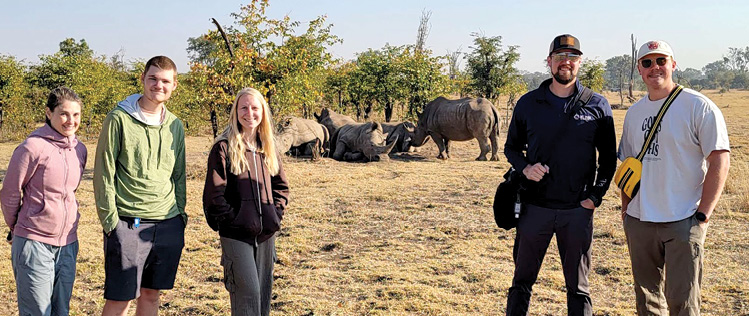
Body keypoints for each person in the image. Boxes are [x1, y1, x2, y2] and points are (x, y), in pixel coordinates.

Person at [503, 34, 617, 316]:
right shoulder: (529, 103)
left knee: (578, 288)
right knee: (521, 282)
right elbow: (511, 148)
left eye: (572, 57)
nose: (565, 63)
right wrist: (525, 168)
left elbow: (608, 160)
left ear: (580, 63)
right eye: (559, 57)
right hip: (534, 209)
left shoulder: (598, 105)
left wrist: (594, 197)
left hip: (576, 211)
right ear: (549, 62)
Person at [619, 40, 730, 316]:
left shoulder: (697, 106)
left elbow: (719, 159)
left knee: (683, 302)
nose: (655, 67)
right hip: (640, 220)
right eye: (647, 62)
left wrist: (702, 215)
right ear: (639, 70)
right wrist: (625, 211)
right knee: (646, 301)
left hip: (683, 218)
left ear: (673, 64)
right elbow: (627, 166)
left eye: (661, 61)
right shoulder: (634, 113)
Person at [93, 56, 187, 316]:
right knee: (120, 299)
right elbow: (104, 171)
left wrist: (180, 215)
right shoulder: (118, 119)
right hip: (127, 222)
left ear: (174, 85)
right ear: (143, 79)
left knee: (151, 295)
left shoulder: (175, 125)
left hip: (167, 222)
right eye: (153, 78)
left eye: (165, 81)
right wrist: (111, 221)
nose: (159, 85)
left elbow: (179, 174)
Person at [203, 88, 289, 316]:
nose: (249, 113)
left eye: (254, 107)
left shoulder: (267, 147)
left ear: (262, 112)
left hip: (266, 236)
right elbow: (213, 197)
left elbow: (281, 187)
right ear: (235, 111)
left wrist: (274, 214)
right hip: (236, 236)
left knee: (262, 299)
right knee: (247, 298)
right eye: (243, 107)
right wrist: (234, 220)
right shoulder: (223, 147)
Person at [1, 87, 87, 316]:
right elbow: (10, 192)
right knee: (37, 312)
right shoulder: (32, 147)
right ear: (49, 113)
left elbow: (70, 192)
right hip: (34, 242)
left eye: (76, 115)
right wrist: (17, 228)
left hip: (68, 243)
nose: (71, 120)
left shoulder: (79, 149)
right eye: (64, 113)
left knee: (61, 310)